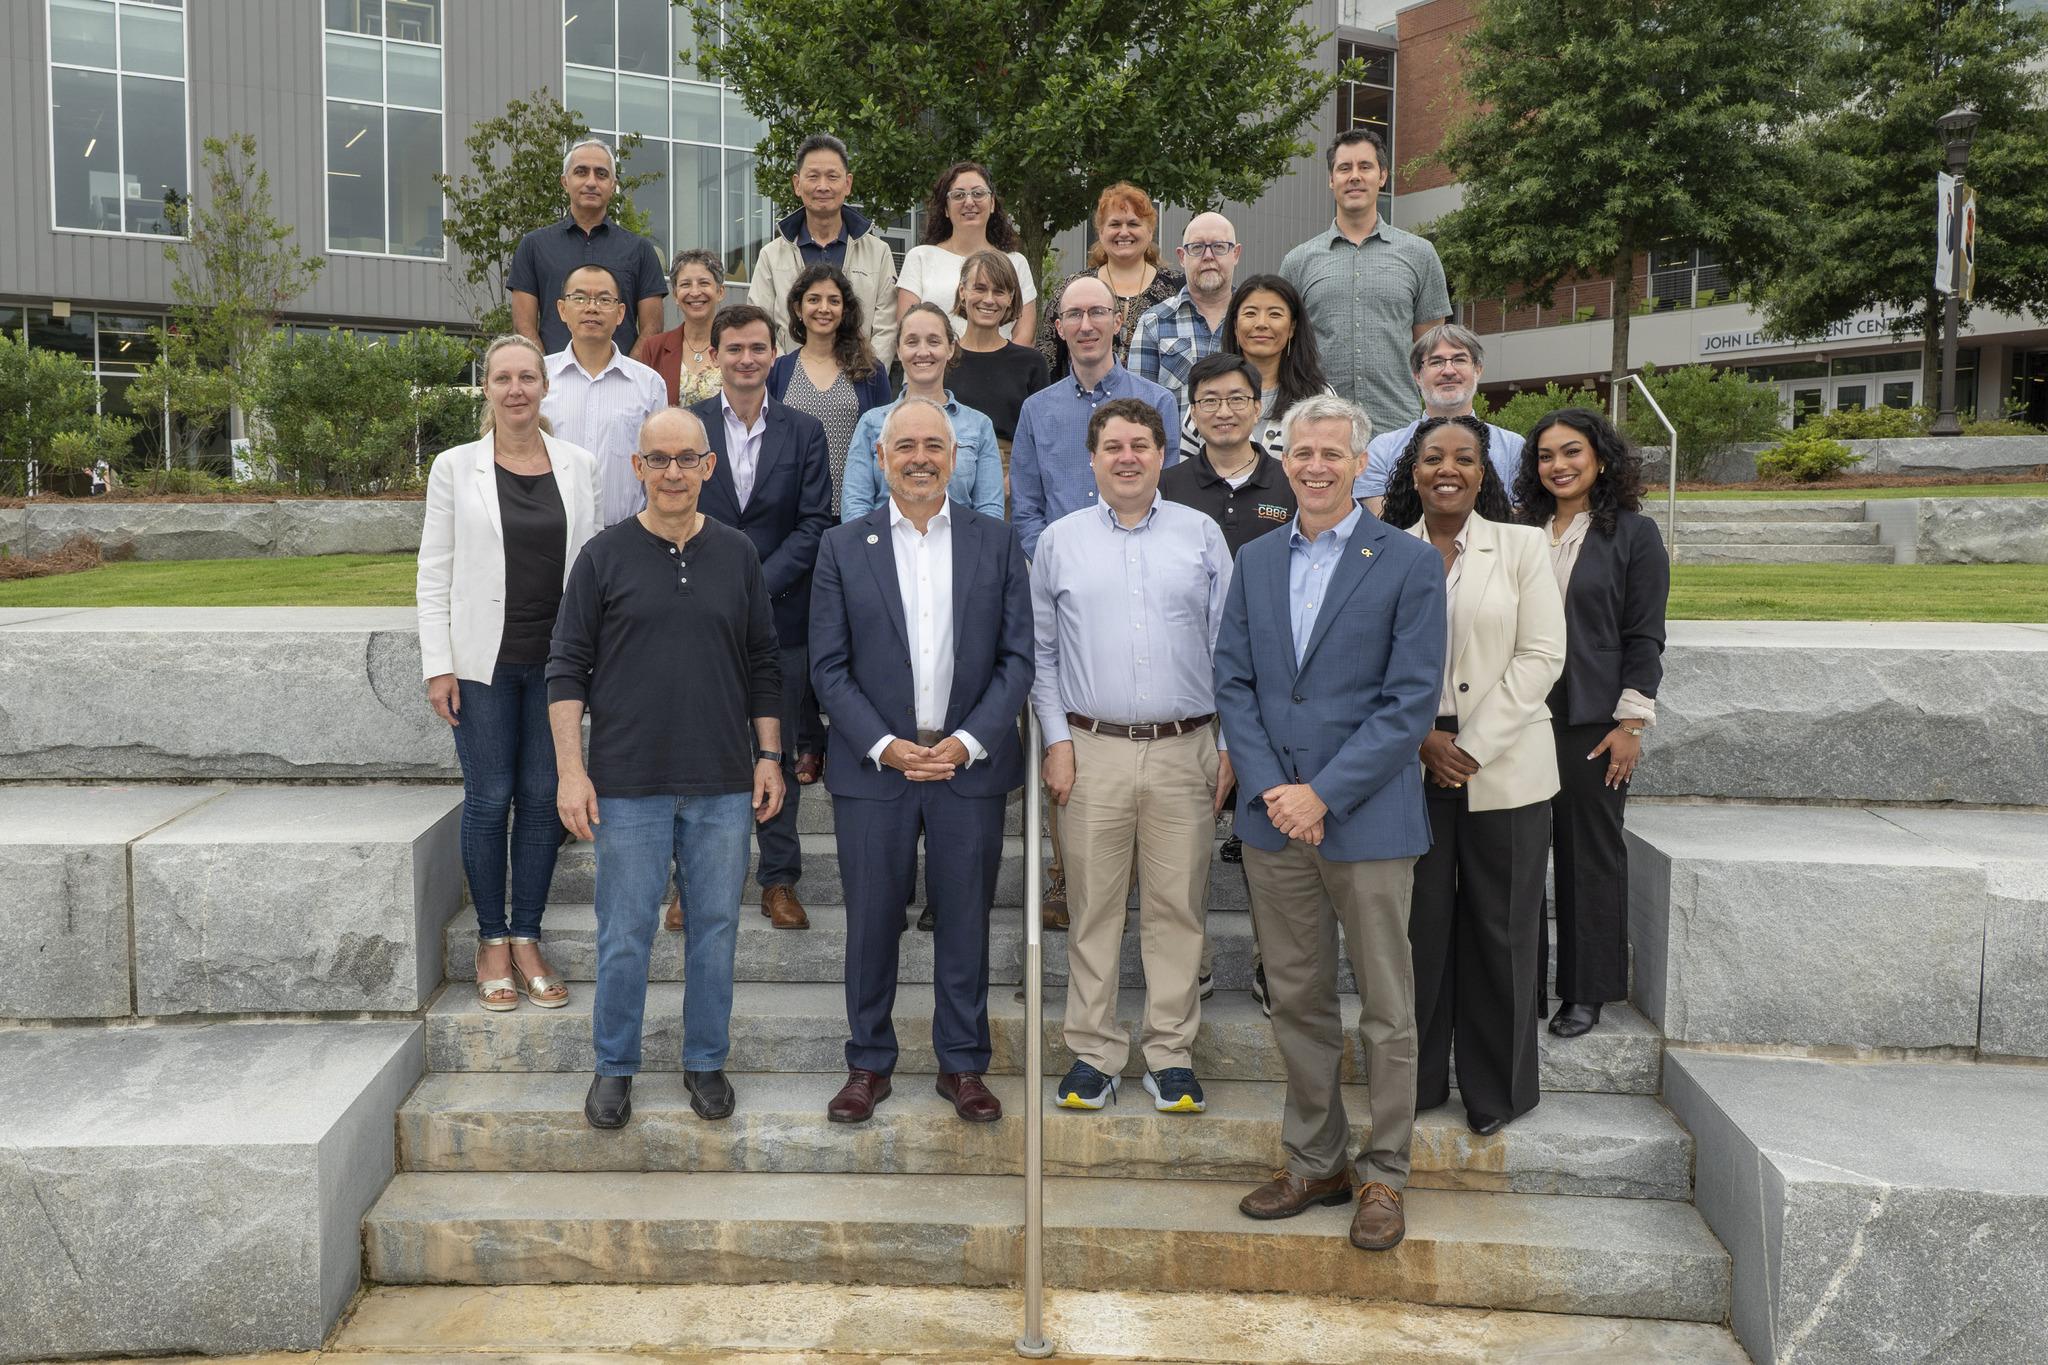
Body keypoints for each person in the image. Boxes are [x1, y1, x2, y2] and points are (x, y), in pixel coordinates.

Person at [1212, 393, 1445, 1255]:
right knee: (1300, 1000)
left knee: (1388, 1007)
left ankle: (1384, 1173)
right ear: (1287, 457)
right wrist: (1277, 789)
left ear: (1358, 465)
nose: (1314, 466)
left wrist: (1323, 793)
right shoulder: (1258, 558)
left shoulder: (1409, 564)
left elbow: (1408, 700)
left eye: (1330, 454)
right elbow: (1232, 681)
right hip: (1277, 825)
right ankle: (1316, 1159)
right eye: (1301, 452)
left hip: (1370, 822)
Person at [547, 406, 786, 1131]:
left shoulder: (738, 553)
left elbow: (764, 663)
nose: (674, 472)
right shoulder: (603, 555)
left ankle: (705, 1059)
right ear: (638, 468)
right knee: (625, 931)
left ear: (709, 467)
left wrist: (769, 755)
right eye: (660, 459)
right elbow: (565, 669)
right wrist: (571, 771)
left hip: (720, 780)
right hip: (628, 782)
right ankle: (613, 1067)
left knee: (715, 927)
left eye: (688, 459)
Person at [809, 397, 1034, 1125]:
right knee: (872, 919)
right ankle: (867, 1062)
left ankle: (963, 1064)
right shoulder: (844, 547)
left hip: (968, 766)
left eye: (934, 444)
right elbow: (829, 666)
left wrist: (966, 742)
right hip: (875, 768)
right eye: (903, 445)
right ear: (879, 457)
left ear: (957, 457)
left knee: (965, 918)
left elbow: (1017, 659)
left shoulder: (996, 543)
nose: (919, 457)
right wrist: (887, 745)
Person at [1033, 398, 1233, 1114]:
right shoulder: (1059, 541)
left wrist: (1231, 745)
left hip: (1187, 749)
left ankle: (1170, 1053)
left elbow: (1229, 650)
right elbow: (1043, 655)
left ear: (1161, 456)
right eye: (1112, 445)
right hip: (1090, 751)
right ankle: (1093, 1051)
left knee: (1178, 908)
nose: (1126, 456)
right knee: (1093, 909)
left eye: (1140, 445)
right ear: (1092, 459)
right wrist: (1056, 740)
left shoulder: (1202, 534)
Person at [1381, 416, 1565, 1136]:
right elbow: (1369, 661)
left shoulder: (1522, 546)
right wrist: (1423, 738)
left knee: (1503, 930)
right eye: (1432, 458)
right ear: (1414, 471)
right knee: (1418, 930)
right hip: (1409, 761)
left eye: (1463, 457)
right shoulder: (1384, 550)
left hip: (1507, 763)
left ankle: (1498, 1090)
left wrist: (1471, 745)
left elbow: (1542, 655)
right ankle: (1419, 1082)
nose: (1447, 468)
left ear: (1483, 473)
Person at [418, 334, 601, 1014]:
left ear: (545, 387)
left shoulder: (579, 465)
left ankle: (526, 934)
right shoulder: (453, 467)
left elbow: (594, 571)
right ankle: (490, 939)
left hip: (557, 667)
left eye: (528, 376)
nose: (517, 388)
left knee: (541, 798)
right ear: (487, 387)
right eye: (504, 378)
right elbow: (433, 569)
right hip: (481, 665)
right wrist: (439, 663)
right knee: (491, 796)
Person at [1515, 408, 1668, 1039]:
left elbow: (1644, 635)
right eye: (1546, 455)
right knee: (1519, 858)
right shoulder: (1517, 530)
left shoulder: (1634, 535)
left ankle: (1586, 991)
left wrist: (1631, 722)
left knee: (1589, 856)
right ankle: (1522, 986)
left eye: (1571, 452)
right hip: (1521, 717)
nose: (1559, 465)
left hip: (1593, 722)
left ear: (1600, 459)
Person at [687, 304, 834, 933]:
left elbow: (814, 524)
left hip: (781, 619)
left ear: (775, 356)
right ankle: (687, 885)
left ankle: (779, 881)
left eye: (757, 348)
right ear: (715, 356)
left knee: (778, 751)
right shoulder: (687, 428)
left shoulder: (804, 432)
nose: (746, 359)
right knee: (696, 756)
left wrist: (754, 584)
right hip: (698, 619)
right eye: (734, 349)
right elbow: (673, 511)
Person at [1160, 351, 1298, 894]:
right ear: (1192, 412)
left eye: (1237, 398)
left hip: (1274, 667)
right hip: (1186, 667)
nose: (1224, 411)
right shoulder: (1167, 485)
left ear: (1258, 407)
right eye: (1209, 400)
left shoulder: (1290, 484)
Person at [1279, 128, 1451, 440]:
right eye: (1344, 168)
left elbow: (1431, 351)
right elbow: (1284, 351)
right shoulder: (1298, 261)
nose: (1354, 176)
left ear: (1382, 176)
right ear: (1331, 180)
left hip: (1398, 428)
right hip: (1321, 430)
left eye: (1365, 167)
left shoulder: (1420, 254)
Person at [1011, 275, 1182, 558]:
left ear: (1117, 322)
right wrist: (1049, 560)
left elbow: (1168, 495)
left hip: (1141, 561)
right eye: (1074, 314)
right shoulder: (1036, 410)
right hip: (1061, 569)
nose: (1086, 325)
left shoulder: (1157, 402)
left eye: (1097, 312)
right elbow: (1026, 507)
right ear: (1060, 328)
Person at [843, 301, 1005, 523]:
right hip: (883, 550)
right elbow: (856, 506)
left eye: (933, 341)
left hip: (960, 551)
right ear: (899, 351)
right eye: (912, 342)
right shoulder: (871, 423)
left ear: (950, 348)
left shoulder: (979, 425)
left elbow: (990, 511)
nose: (923, 351)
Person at [748, 133, 900, 367]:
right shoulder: (771, 255)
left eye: (832, 177)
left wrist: (867, 377)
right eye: (813, 176)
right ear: (797, 184)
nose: (822, 186)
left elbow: (886, 329)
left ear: (847, 184)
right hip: (788, 389)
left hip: (859, 384)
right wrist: (784, 376)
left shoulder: (879, 253)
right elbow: (759, 326)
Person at [510, 138, 666, 356]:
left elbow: (652, 329)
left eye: (601, 174)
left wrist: (628, 376)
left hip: (621, 384)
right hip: (554, 385)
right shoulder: (533, 246)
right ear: (565, 181)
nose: (591, 182)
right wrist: (546, 376)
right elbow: (523, 327)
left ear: (613, 185)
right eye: (581, 172)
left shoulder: (640, 251)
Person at [541, 264, 669, 528]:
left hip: (626, 534)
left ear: (621, 313)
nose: (591, 307)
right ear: (562, 310)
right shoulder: (538, 377)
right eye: (579, 298)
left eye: (604, 299)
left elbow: (659, 464)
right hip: (551, 532)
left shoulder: (649, 385)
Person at [1357, 324, 1523, 512]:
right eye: (1436, 362)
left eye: (1459, 360)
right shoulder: (1382, 450)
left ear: (1478, 370)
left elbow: (1520, 523)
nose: (1449, 370)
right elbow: (1382, 529)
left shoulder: (1514, 447)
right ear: (1417, 375)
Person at [767, 263, 892, 508]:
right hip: (792, 510)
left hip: (854, 509)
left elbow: (884, 443)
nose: (824, 309)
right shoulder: (777, 371)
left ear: (844, 310)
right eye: (814, 299)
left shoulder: (870, 371)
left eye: (834, 301)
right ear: (798, 308)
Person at [1036, 183, 1183, 380]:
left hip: (1158, 407)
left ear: (1150, 232)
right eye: (1115, 224)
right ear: (1101, 232)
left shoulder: (1178, 289)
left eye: (1133, 224)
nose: (1124, 232)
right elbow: (1049, 361)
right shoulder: (1072, 289)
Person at [1130, 212, 1244, 450]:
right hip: (1177, 468)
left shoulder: (1252, 322)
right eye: (1197, 248)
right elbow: (1138, 412)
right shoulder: (1154, 322)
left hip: (1246, 467)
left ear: (1236, 254)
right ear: (1182, 257)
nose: (1208, 256)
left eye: (1219, 247)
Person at [897, 162, 1038, 342]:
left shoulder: (1016, 262)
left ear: (992, 203)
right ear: (946, 209)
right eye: (958, 195)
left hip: (1001, 369)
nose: (969, 202)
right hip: (935, 368)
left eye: (978, 194)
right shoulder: (920, 258)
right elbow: (906, 328)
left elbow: (1024, 334)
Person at [949, 248, 1051, 458]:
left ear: (1010, 297)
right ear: (962, 291)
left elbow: (1043, 437)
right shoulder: (943, 359)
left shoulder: (1031, 364)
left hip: (1011, 474)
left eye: (999, 291)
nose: (989, 300)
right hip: (949, 472)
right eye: (979, 288)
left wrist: (1013, 482)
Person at [1221, 275, 1336, 454]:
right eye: (1250, 313)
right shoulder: (1207, 395)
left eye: (1275, 314)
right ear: (1235, 326)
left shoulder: (1319, 397)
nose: (1261, 324)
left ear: (1292, 328)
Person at [634, 249, 728, 408]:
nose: (695, 292)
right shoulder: (654, 348)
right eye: (685, 284)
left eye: (704, 283)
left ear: (720, 292)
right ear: (675, 295)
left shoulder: (738, 346)